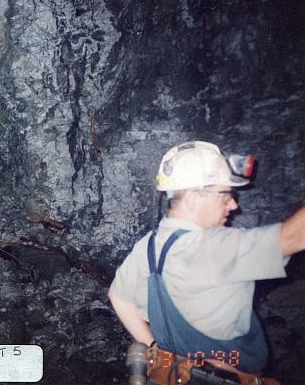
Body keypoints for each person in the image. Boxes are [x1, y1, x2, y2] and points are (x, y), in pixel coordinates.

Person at [108, 141, 305, 382]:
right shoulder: (214, 246)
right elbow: (294, 236)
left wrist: (155, 346)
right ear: (193, 198)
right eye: (226, 195)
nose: (234, 205)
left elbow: (119, 297)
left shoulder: (147, 246)